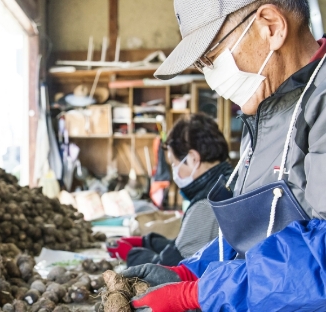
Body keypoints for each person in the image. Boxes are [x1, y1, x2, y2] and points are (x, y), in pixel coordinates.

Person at [121, 0, 326, 311]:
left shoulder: (319, 106)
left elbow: (319, 262)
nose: (210, 77)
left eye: (212, 58)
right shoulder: (263, 114)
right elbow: (251, 239)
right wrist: (189, 271)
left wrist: (197, 294)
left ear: (271, 26)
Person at [107, 114, 233, 267]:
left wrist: (131, 255)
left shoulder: (207, 204)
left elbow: (172, 269)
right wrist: (146, 242)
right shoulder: (227, 181)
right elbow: (183, 245)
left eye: (174, 163)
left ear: (193, 158)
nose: (175, 173)